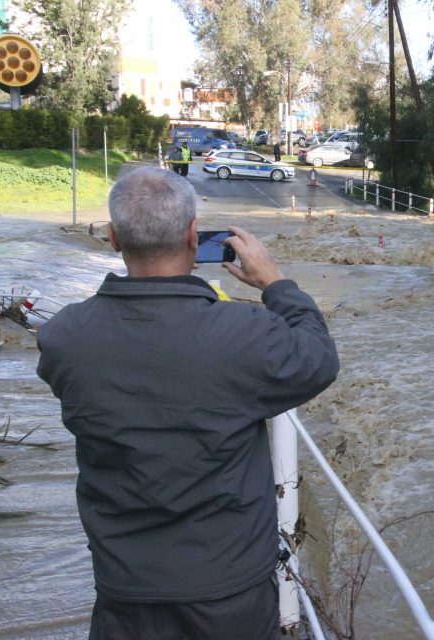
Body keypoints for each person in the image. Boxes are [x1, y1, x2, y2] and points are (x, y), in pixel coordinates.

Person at [36, 166, 340, 640]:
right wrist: (276, 283)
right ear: (195, 237)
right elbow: (318, 359)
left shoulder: (63, 338)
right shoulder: (243, 336)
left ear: (114, 238)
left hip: (123, 592)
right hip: (228, 594)